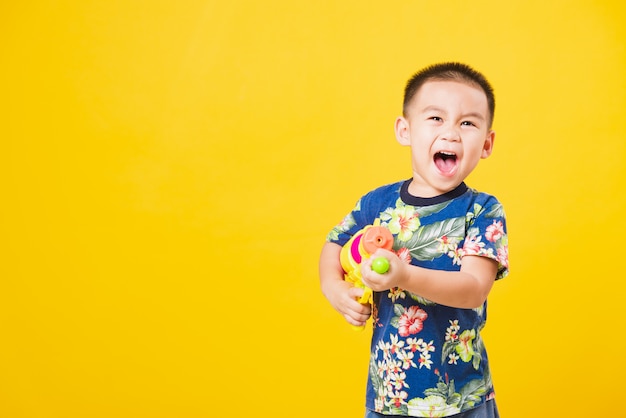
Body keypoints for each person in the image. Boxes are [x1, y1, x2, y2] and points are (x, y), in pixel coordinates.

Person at [319, 62, 509, 418]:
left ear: (486, 143)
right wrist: (334, 288)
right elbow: (334, 244)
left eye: (467, 123)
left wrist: (404, 276)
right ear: (405, 130)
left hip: (463, 398)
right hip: (389, 397)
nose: (451, 133)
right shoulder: (375, 204)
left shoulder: (481, 211)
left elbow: (473, 289)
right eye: (436, 118)